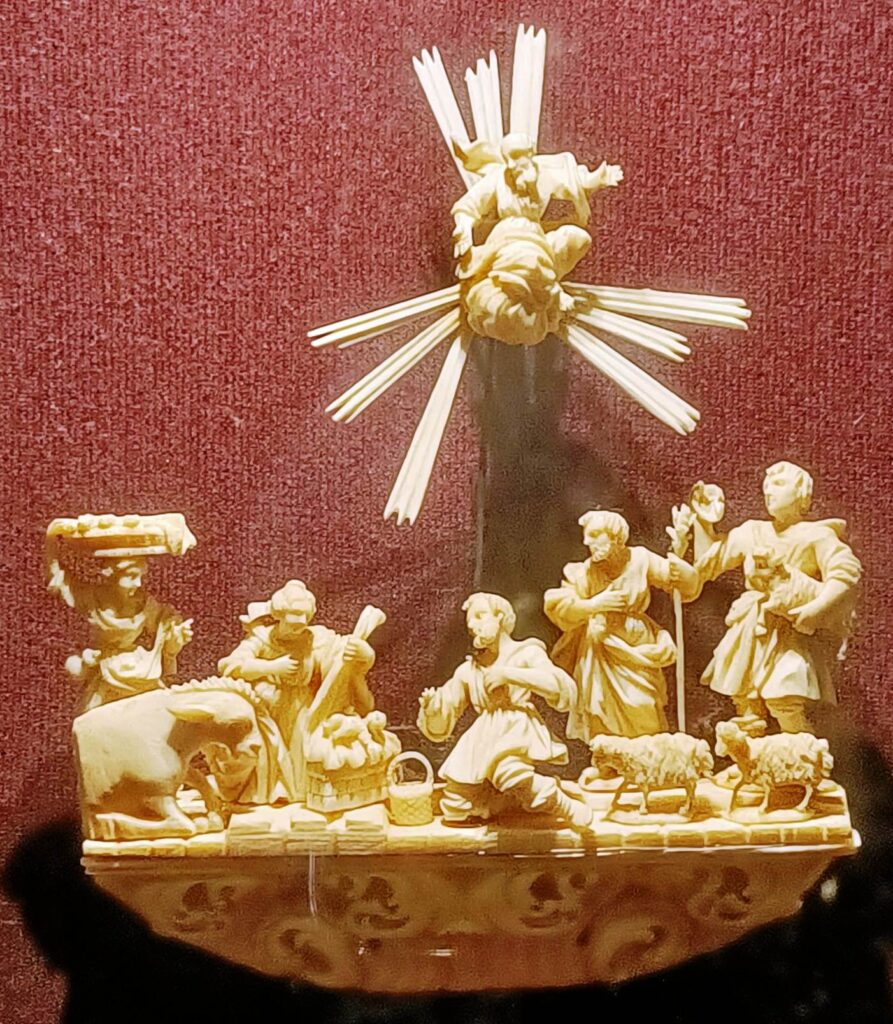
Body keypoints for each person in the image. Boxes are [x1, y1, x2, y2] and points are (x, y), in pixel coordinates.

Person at [695, 462, 861, 732]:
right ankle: (751, 750)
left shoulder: (817, 535)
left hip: (790, 631)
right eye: (767, 485)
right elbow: (707, 564)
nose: (769, 491)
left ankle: (802, 749)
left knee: (784, 697)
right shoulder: (751, 532)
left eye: (779, 484)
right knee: (745, 700)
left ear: (801, 494)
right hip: (750, 627)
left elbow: (845, 575)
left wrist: (815, 608)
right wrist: (704, 521)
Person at [417, 592, 592, 831]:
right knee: (455, 806)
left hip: (514, 727)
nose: (473, 625)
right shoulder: (469, 669)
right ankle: (506, 801)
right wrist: (433, 708)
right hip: (482, 735)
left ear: (499, 617)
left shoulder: (526, 653)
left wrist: (509, 674)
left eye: (480, 616)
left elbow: (559, 688)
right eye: (470, 621)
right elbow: (444, 718)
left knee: (509, 773)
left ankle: (565, 806)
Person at [544, 510, 698, 740]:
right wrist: (594, 604)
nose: (587, 542)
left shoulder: (641, 559)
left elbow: (680, 583)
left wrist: (680, 562)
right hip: (601, 647)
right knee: (601, 708)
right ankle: (608, 758)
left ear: (615, 536)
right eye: (586, 535)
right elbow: (559, 606)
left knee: (642, 704)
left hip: (637, 645)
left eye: (594, 535)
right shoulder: (583, 571)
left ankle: (647, 756)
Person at [218, 580, 375, 797]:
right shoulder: (262, 638)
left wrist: (364, 654)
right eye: (292, 624)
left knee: (301, 749)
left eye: (302, 623)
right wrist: (271, 667)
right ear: (279, 616)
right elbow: (230, 666)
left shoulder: (316, 639)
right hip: (266, 707)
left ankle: (297, 793)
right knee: (268, 751)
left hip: (302, 706)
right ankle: (269, 792)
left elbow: (342, 656)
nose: (297, 629)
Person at [46, 553, 193, 710]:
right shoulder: (91, 599)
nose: (138, 583)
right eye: (131, 576)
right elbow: (58, 578)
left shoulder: (141, 603)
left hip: (137, 669)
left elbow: (166, 620)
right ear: (111, 574)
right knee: (97, 714)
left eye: (141, 576)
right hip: (104, 669)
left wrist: (177, 633)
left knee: (153, 709)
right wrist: (51, 544)